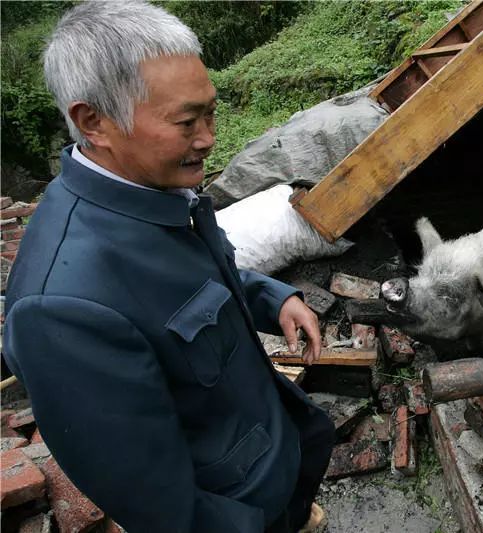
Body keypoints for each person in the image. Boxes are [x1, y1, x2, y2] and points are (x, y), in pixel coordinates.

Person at [2, 2, 335, 532]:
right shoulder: (62, 309)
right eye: (186, 121)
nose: (208, 137)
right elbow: (163, 509)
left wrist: (272, 298)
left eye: (210, 112)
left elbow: (193, 284)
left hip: (272, 471)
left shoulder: (151, 195)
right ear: (95, 122)